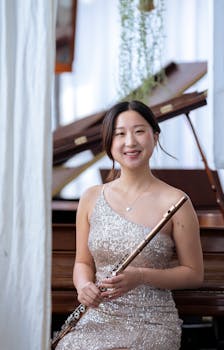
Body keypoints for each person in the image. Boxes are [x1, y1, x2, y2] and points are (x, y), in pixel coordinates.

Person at [56, 100, 204, 350]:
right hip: (98, 317)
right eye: (120, 134)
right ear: (108, 143)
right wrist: (83, 286)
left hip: (152, 322)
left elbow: (194, 274)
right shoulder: (90, 198)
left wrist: (141, 276)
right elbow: (82, 263)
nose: (130, 142)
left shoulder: (177, 201)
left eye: (139, 131)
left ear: (155, 137)